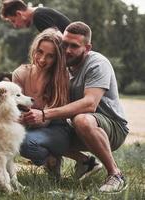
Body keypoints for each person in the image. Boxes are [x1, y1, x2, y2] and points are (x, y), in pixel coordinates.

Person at [24, 21, 129, 193]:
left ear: (87, 48)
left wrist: (44, 114)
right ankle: (84, 163)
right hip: (77, 127)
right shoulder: (62, 67)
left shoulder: (97, 63)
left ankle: (115, 174)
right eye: (64, 44)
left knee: (82, 119)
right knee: (30, 138)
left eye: (74, 46)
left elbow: (90, 104)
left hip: (112, 127)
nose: (67, 50)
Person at [13, 28, 70, 178]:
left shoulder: (60, 78)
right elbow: (15, 110)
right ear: (34, 49)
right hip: (30, 126)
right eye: (40, 52)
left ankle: (53, 159)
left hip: (57, 128)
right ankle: (50, 159)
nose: (43, 59)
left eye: (50, 56)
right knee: (12, 135)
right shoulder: (20, 74)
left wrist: (23, 119)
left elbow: (45, 122)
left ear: (57, 58)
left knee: (26, 143)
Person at [0, 0, 71, 33]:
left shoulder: (38, 16)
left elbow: (56, 42)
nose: (15, 26)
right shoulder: (40, 13)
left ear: (19, 14)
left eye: (13, 21)